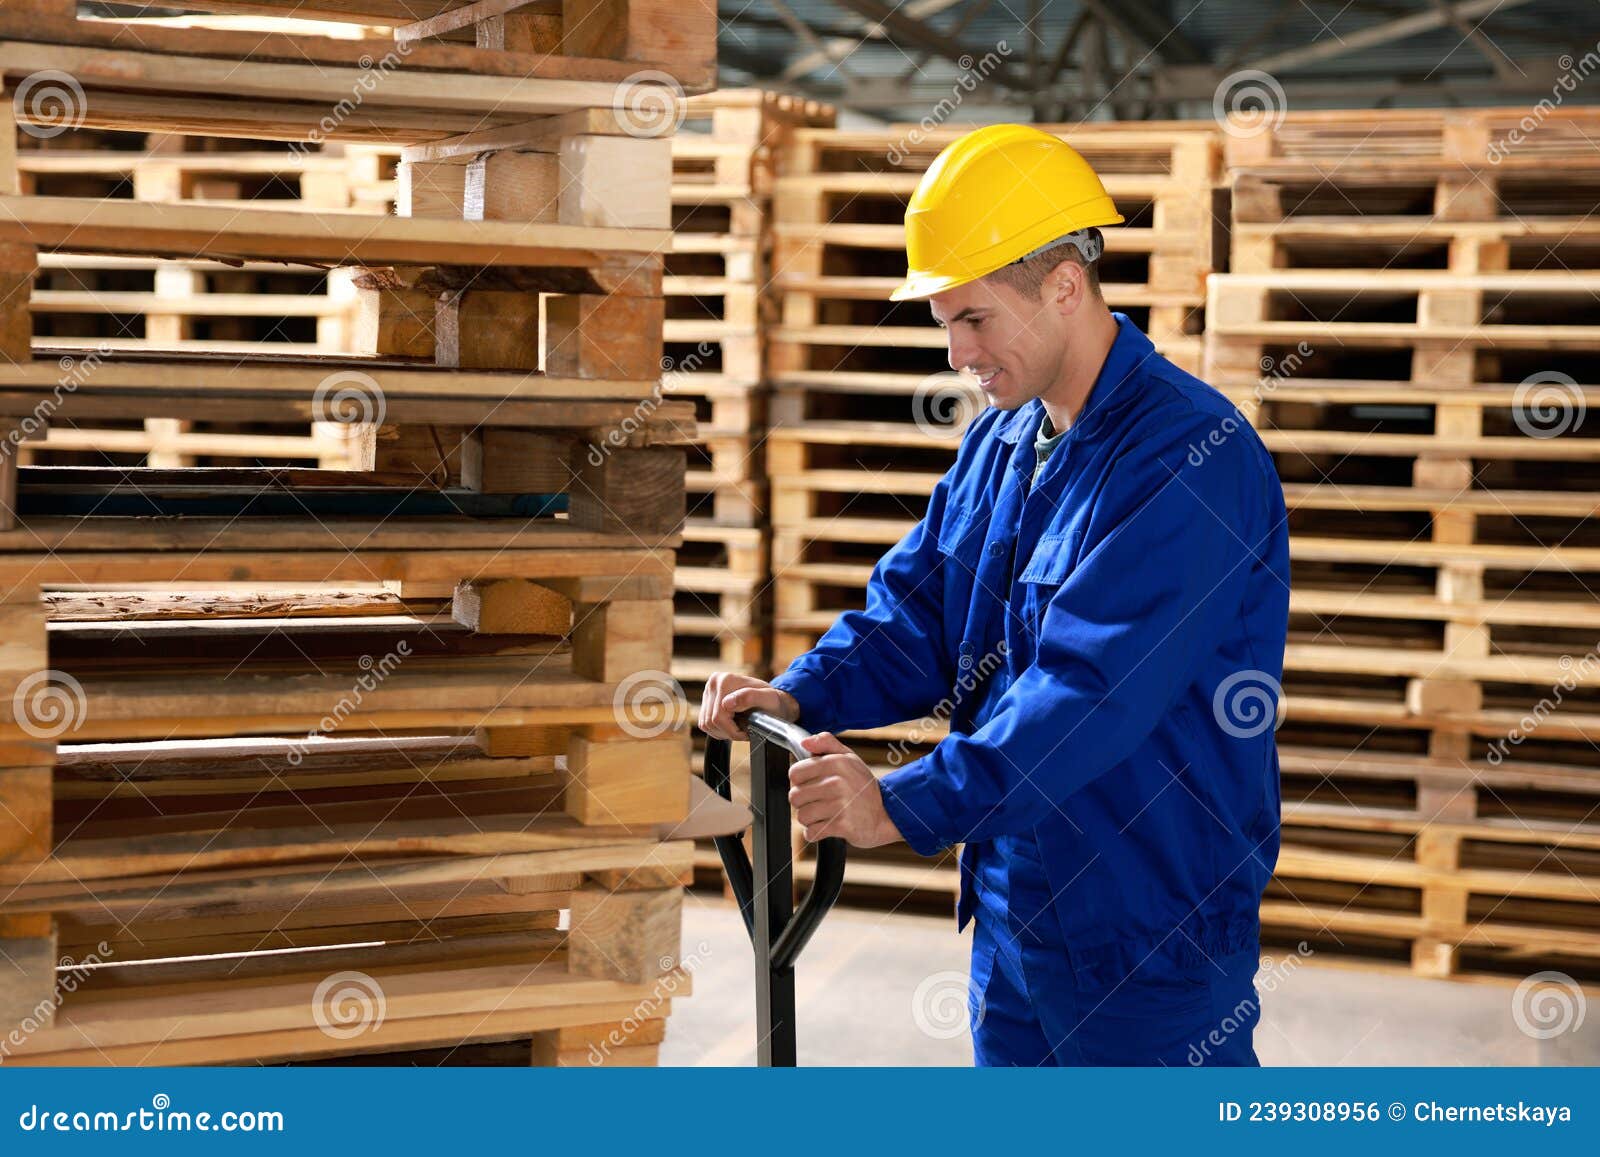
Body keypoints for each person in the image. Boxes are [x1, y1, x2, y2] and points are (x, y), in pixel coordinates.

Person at [700, 123, 1290, 1067]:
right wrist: (800, 693)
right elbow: (919, 615)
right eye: (944, 323)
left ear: (1064, 283)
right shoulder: (1003, 443)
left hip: (1147, 929)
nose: (956, 354)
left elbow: (1089, 691)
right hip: (1018, 905)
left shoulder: (1185, 458)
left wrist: (904, 804)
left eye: (973, 319)